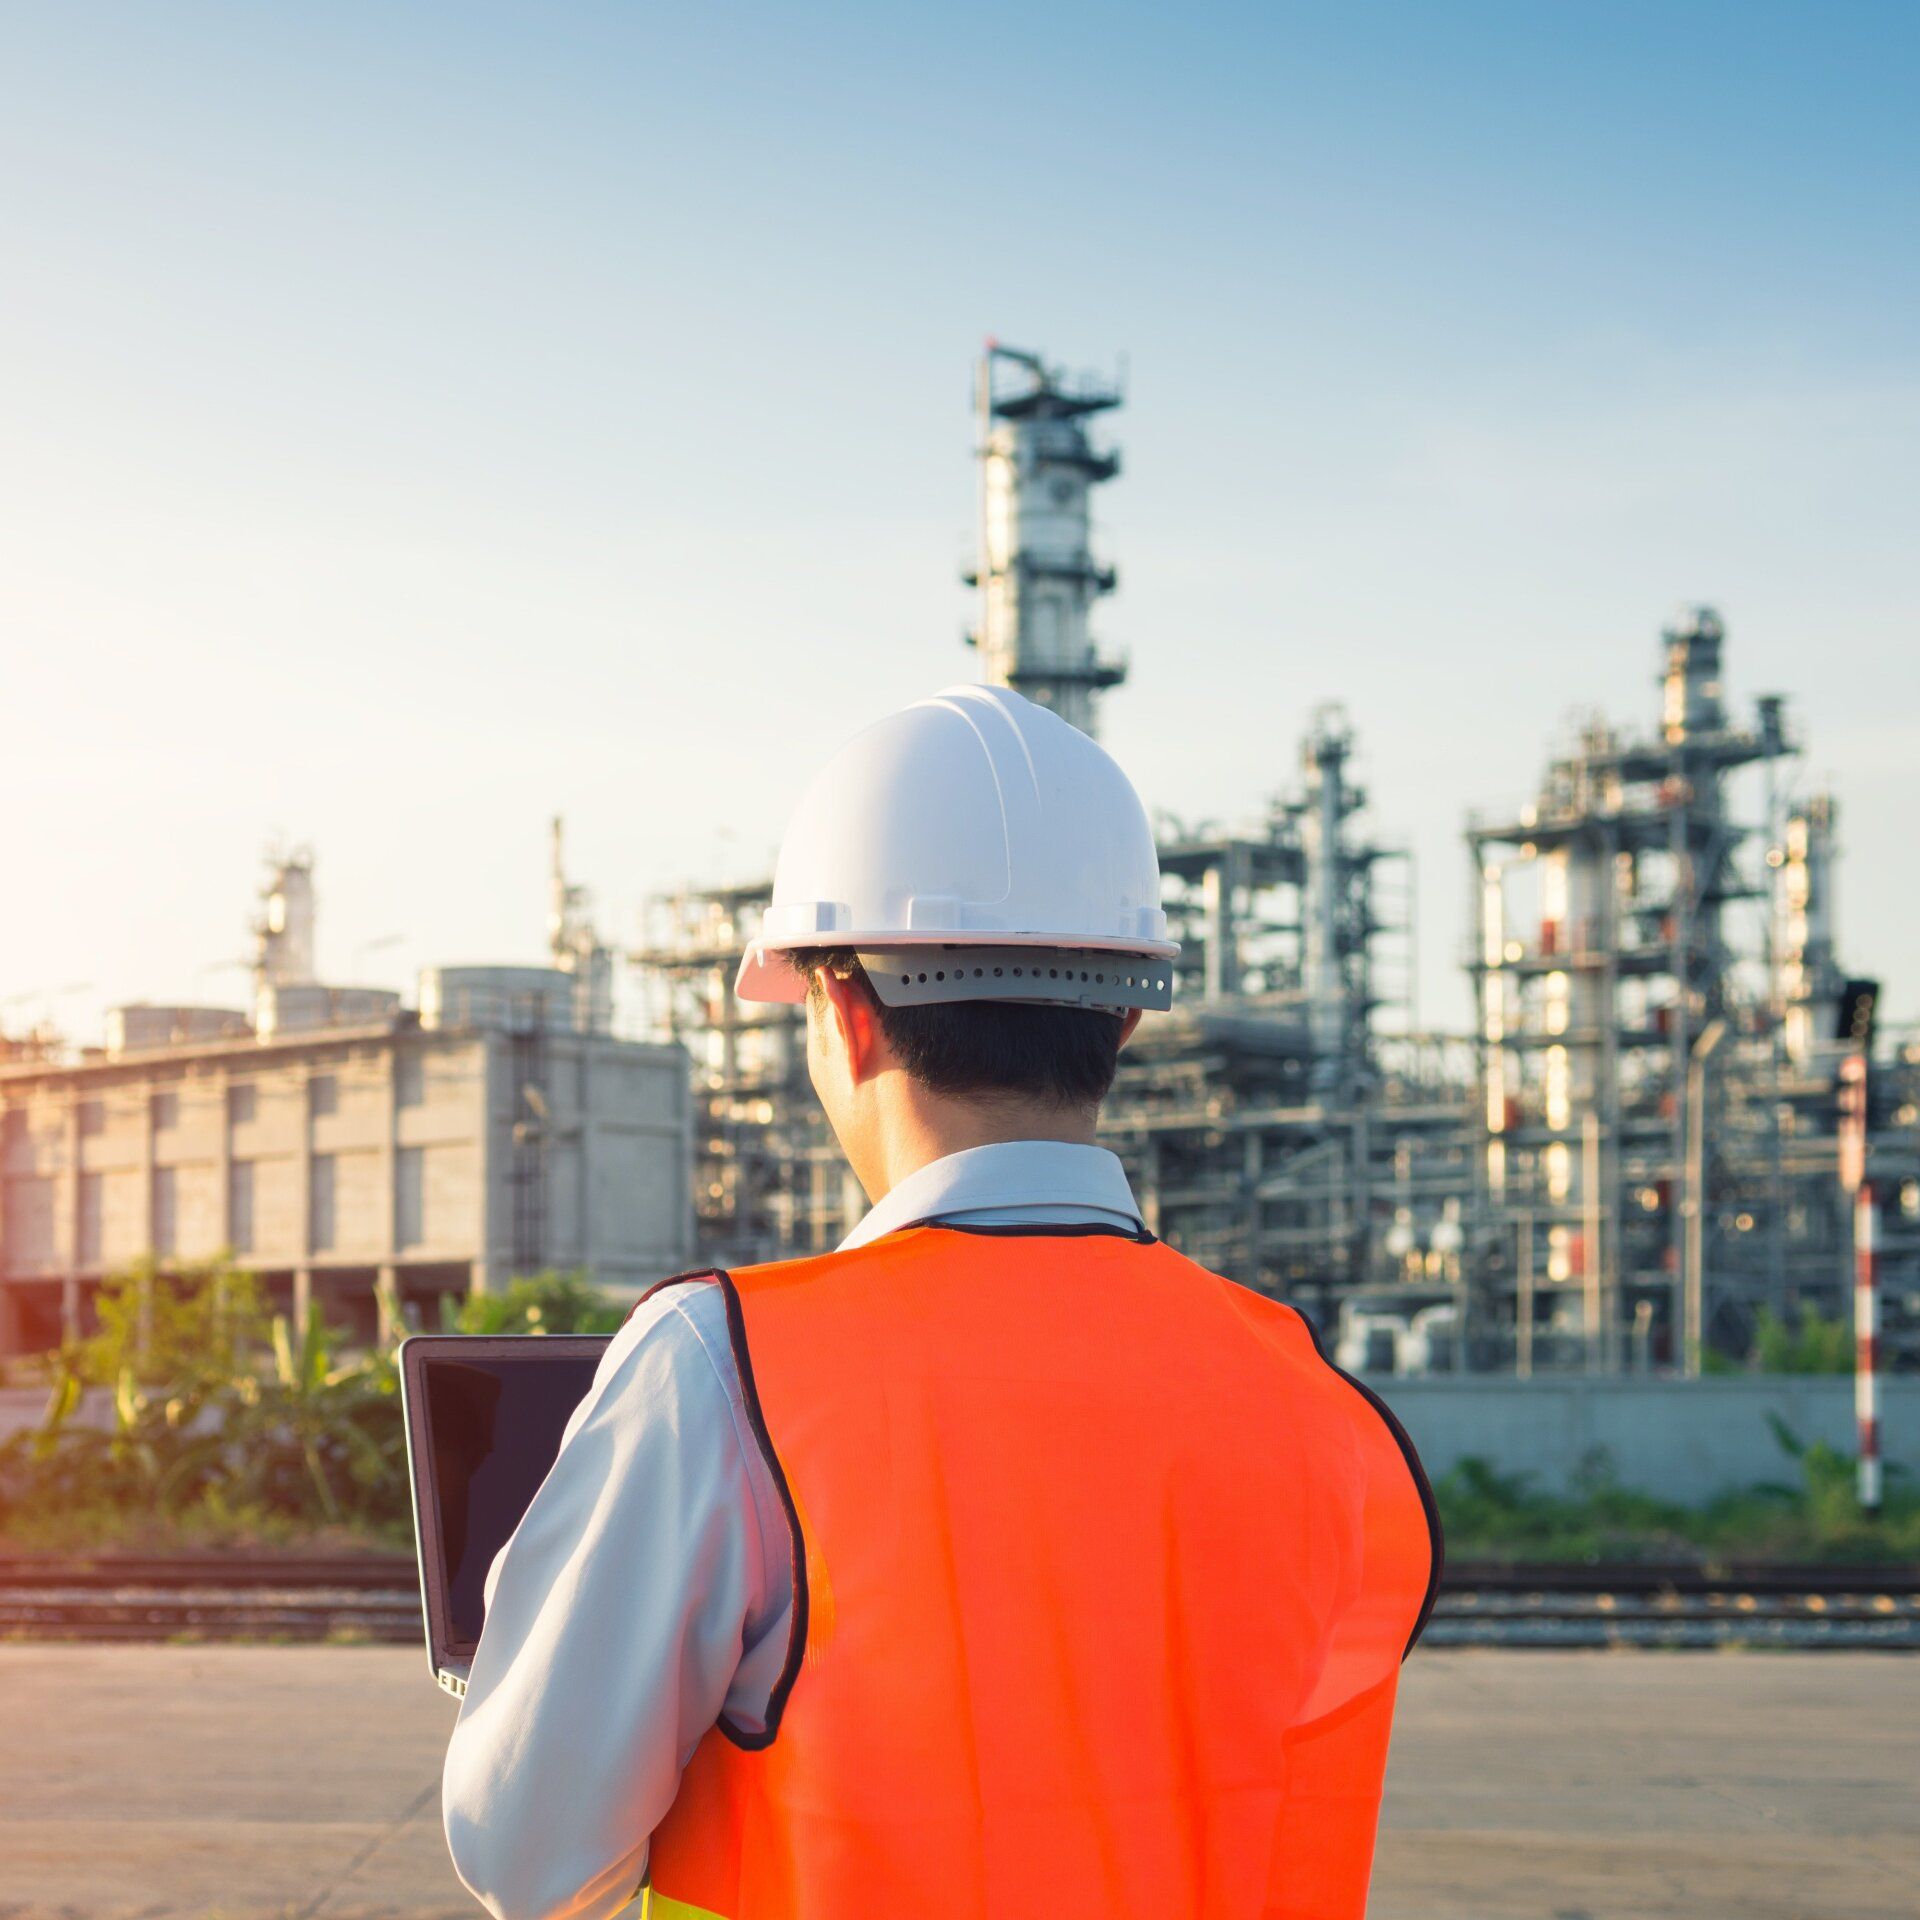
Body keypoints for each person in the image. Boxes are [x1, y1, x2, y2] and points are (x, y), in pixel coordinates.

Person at [442, 684, 1441, 1920]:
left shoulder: (722, 1366)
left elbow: (525, 1849)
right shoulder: (1311, 1397)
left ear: (846, 1018)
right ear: (1126, 1017)